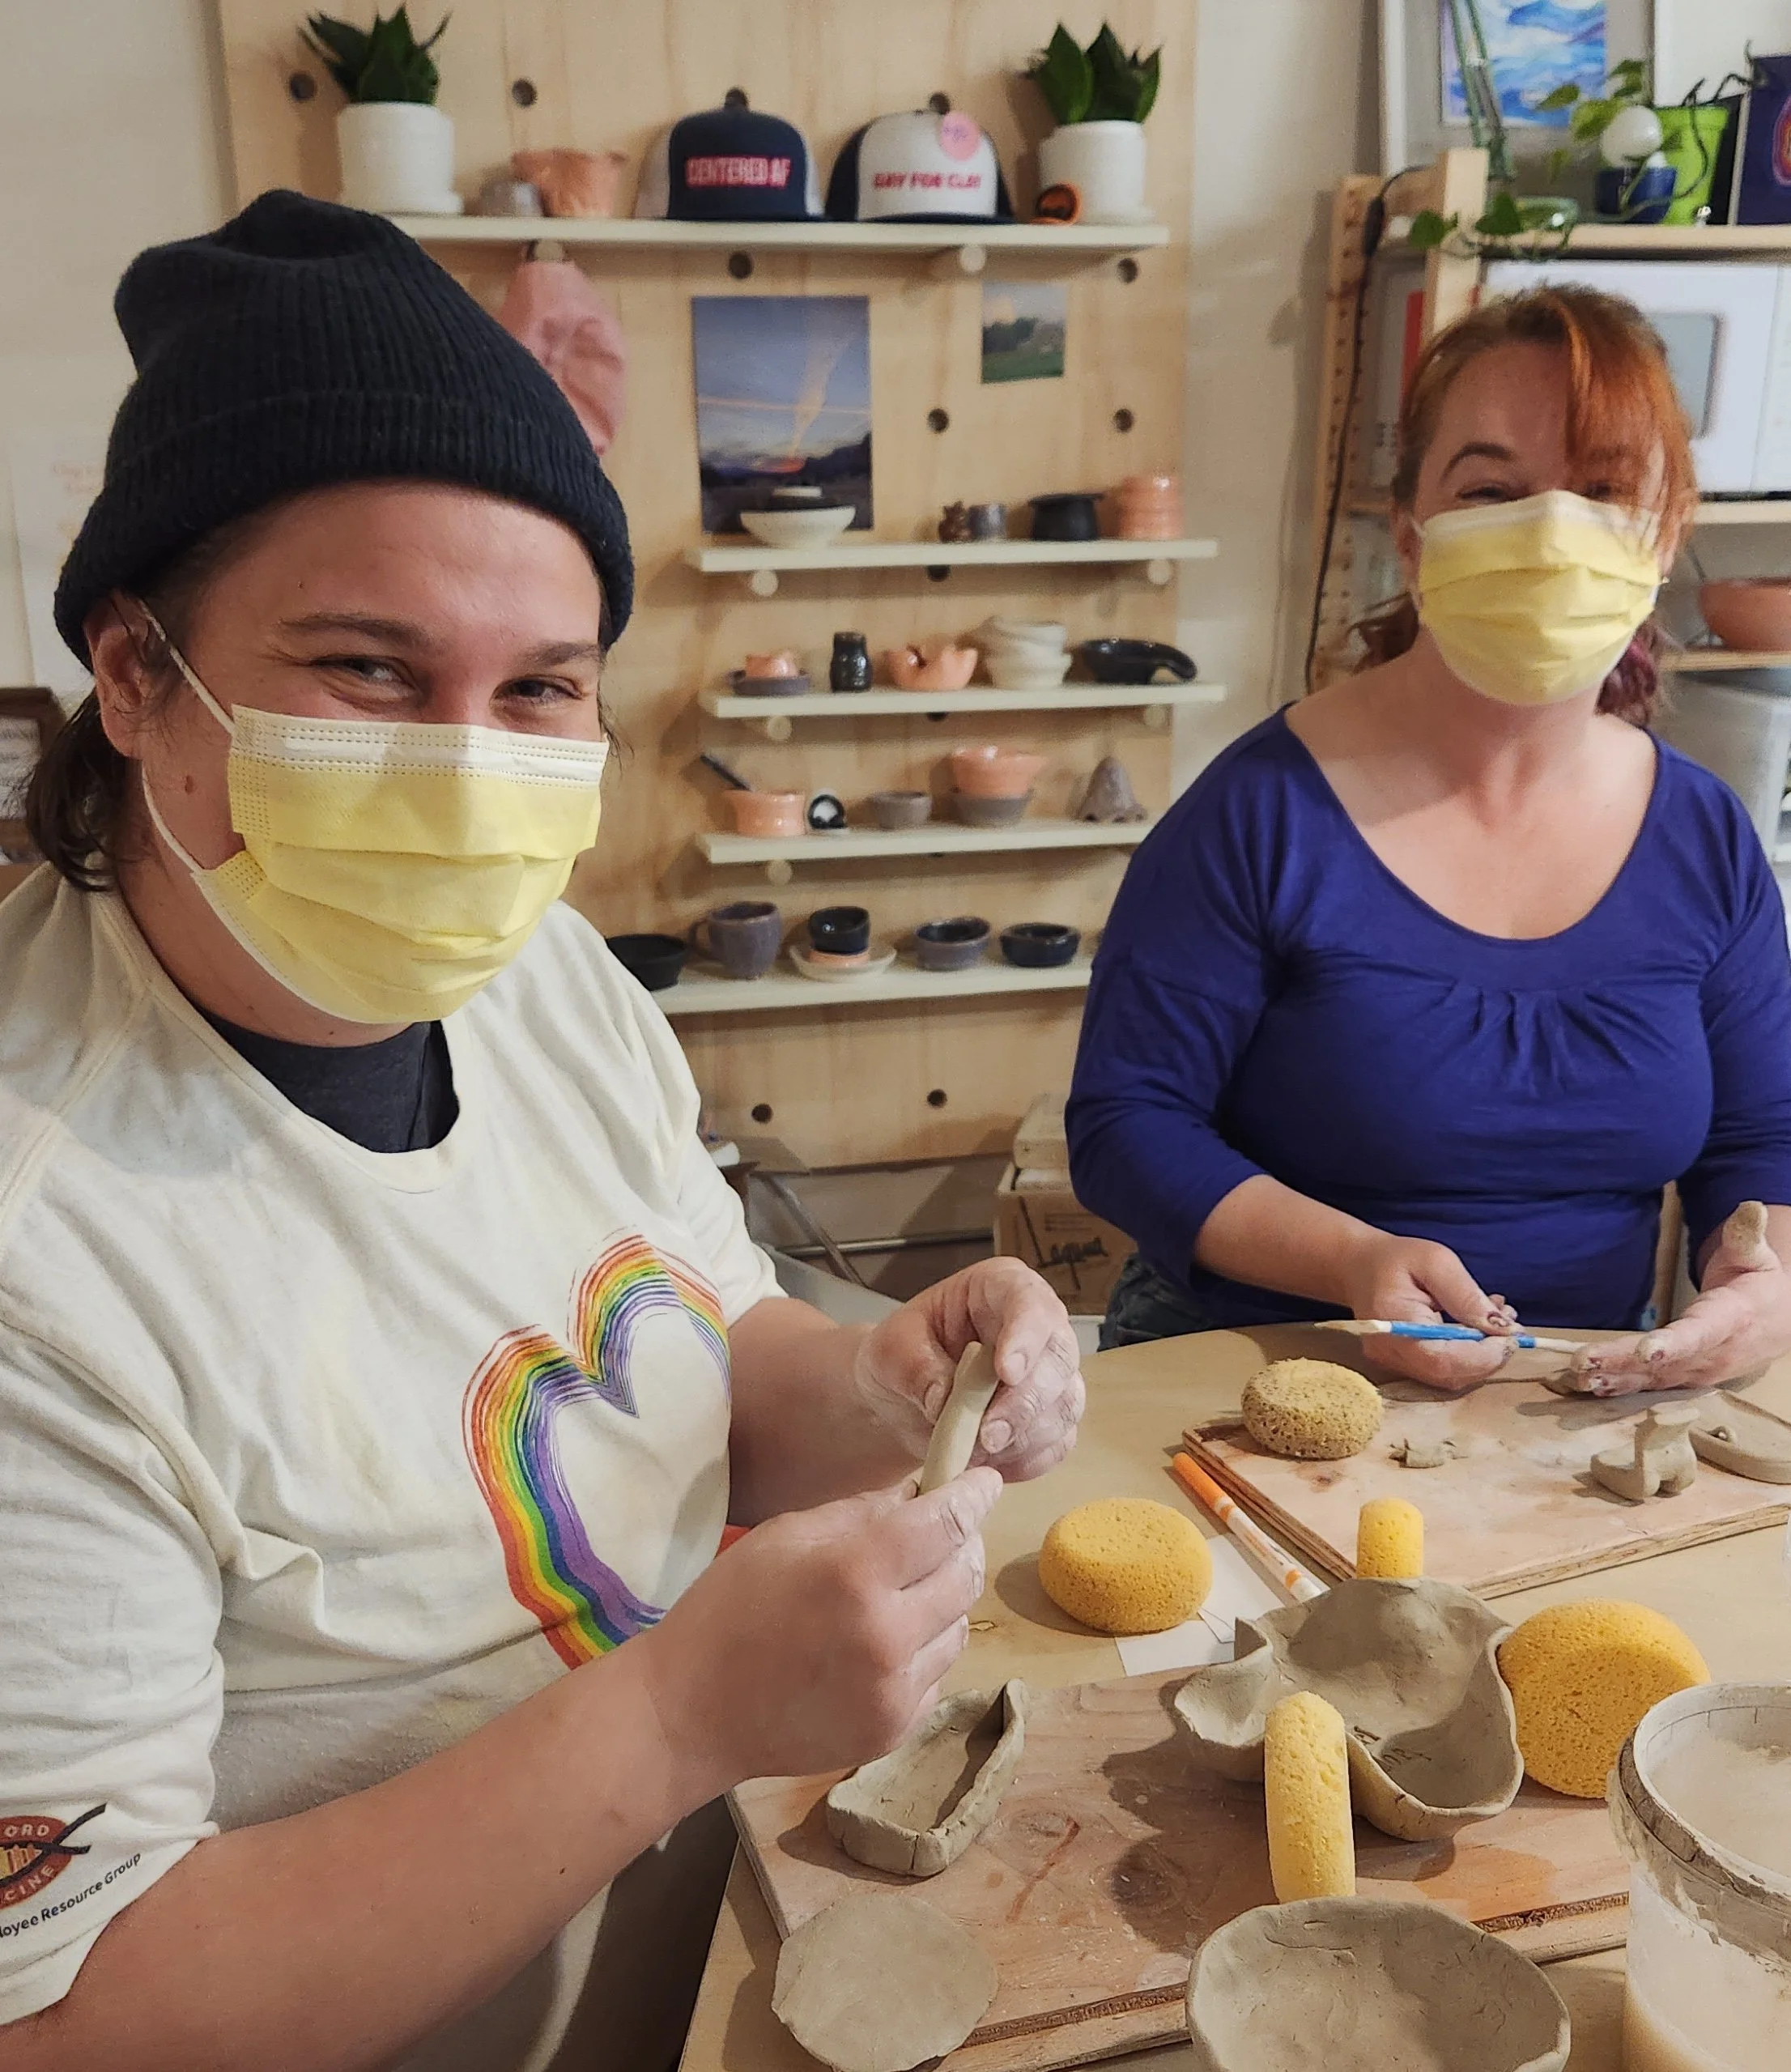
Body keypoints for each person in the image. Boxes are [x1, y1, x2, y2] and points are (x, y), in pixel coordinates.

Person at [0, 194, 1083, 2072]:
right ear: (134, 670)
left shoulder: (547, 982)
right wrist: (673, 1719)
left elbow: (695, 1339)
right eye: (366, 669)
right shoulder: (48, 1233)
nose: (466, 764)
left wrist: (881, 1380)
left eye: (538, 690)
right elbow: (72, 2008)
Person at [1069, 283, 1791, 1396]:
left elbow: (1759, 1141)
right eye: (1494, 489)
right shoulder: (1260, 813)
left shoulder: (1704, 838)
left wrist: (1759, 1281)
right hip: (1262, 1379)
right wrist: (1351, 1260)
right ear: (1412, 537)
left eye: (1603, 492)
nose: (1552, 531)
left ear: (1665, 536)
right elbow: (1125, 1125)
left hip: (1576, 1401)